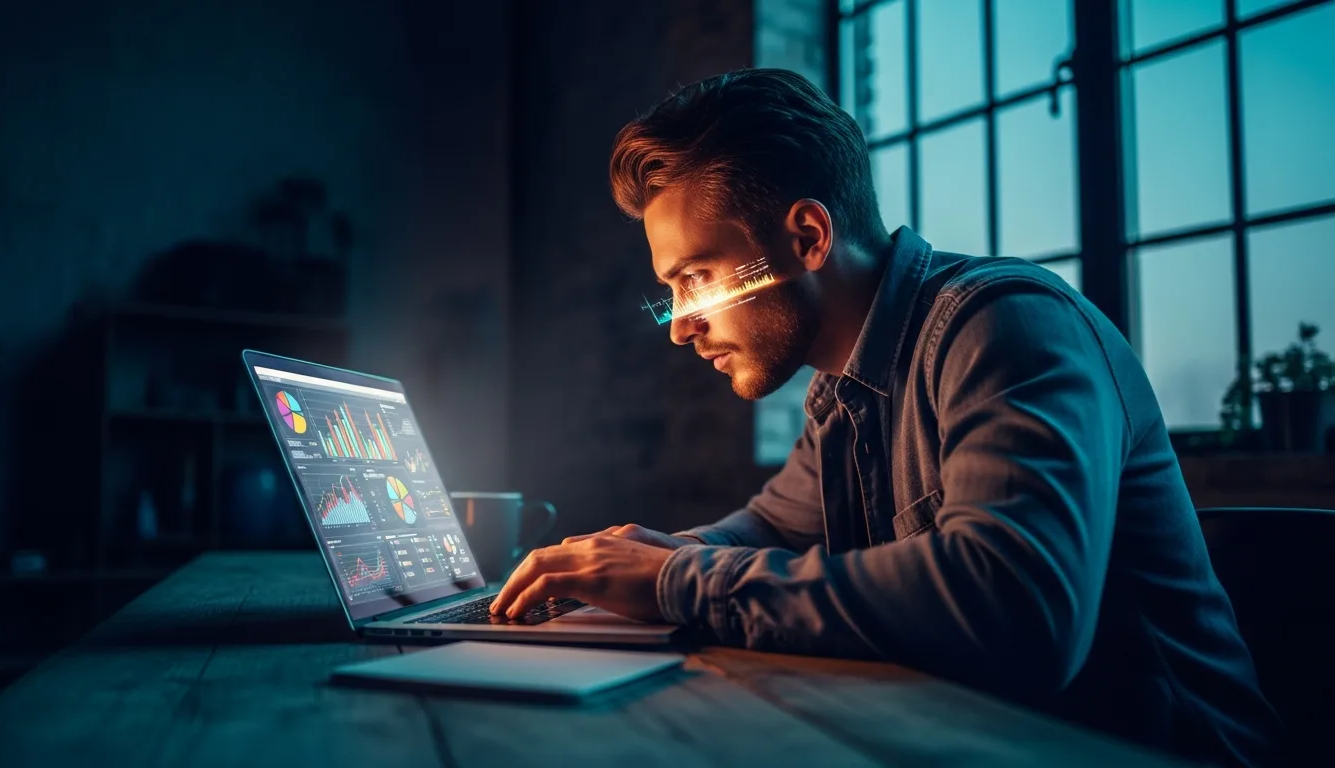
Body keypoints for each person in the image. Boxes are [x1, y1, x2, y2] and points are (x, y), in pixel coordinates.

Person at [490, 68, 1279, 767]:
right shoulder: (843, 391)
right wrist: (618, 566)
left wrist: (674, 580)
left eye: (697, 277)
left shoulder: (1004, 325)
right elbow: (765, 530)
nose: (680, 323)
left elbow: (1018, 611)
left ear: (806, 236)